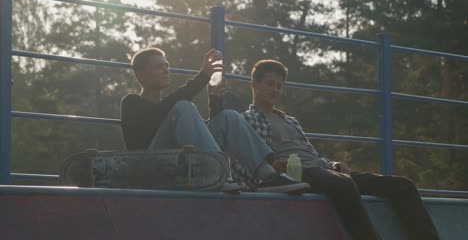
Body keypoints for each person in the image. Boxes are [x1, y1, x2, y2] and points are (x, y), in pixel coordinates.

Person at [232, 59, 439, 239]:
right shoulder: (246, 120)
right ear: (254, 84)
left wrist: (334, 164)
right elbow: (243, 163)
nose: (275, 90)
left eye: (279, 86)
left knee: (403, 186)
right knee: (343, 184)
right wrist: (272, 168)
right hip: (294, 174)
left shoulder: (290, 121)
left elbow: (313, 154)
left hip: (322, 170)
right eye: (270, 84)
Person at [120, 47, 309, 193]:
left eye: (167, 65)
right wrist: (203, 77)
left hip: (183, 163)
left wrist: (215, 102)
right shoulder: (131, 102)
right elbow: (159, 114)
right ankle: (218, 175)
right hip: (152, 167)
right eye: (159, 66)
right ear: (140, 74)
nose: (167, 70)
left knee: (229, 116)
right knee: (184, 106)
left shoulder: (173, 110)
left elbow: (200, 138)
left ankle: (268, 175)